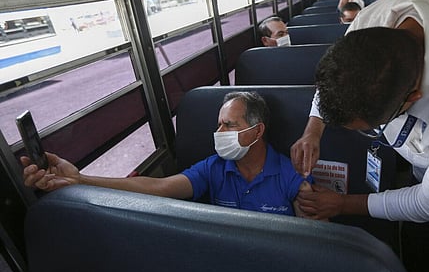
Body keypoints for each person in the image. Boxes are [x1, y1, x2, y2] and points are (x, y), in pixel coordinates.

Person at [290, 0, 429, 272]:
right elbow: (336, 80)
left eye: (368, 128)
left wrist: (341, 204)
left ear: (413, 97)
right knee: (420, 253)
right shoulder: (372, 21)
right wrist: (313, 128)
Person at [22, 91, 312, 217]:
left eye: (229, 125)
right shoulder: (214, 168)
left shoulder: (291, 176)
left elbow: (316, 241)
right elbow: (158, 187)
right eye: (218, 124)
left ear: (257, 132)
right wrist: (80, 180)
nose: (219, 132)